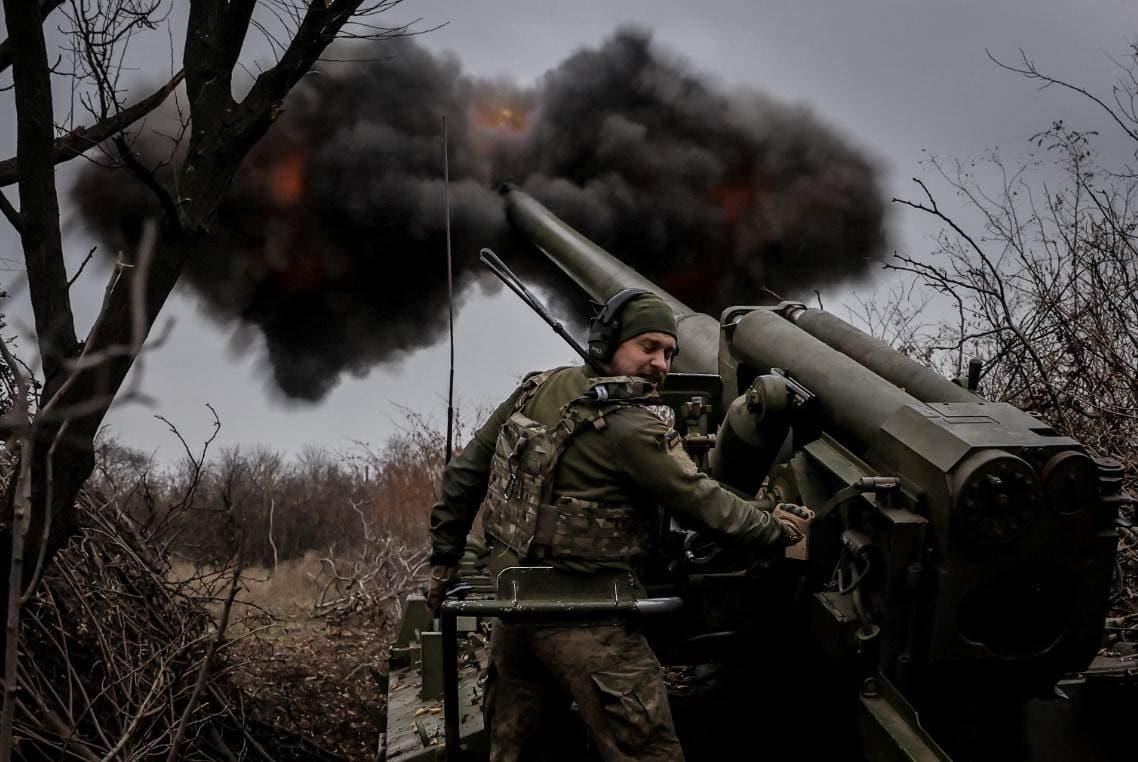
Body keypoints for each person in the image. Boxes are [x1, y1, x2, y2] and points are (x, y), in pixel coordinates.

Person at [427, 289, 813, 762]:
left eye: (669, 352)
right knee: (648, 751)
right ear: (607, 344)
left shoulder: (537, 387)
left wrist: (443, 561)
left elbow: (466, 473)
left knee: (516, 749)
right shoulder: (630, 425)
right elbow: (700, 501)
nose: (660, 364)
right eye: (647, 347)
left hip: (516, 609)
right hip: (589, 618)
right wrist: (776, 529)